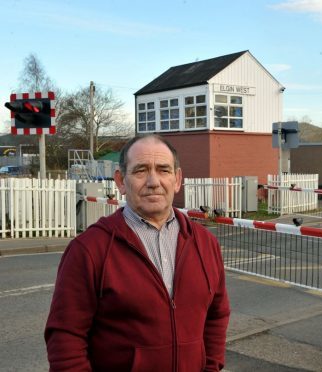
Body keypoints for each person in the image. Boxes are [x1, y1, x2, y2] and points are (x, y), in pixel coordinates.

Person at [45, 135, 230, 371]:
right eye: (141, 171)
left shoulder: (206, 244)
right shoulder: (89, 249)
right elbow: (65, 338)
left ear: (177, 179)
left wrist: (211, 368)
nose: (153, 181)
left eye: (163, 170)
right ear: (121, 181)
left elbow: (217, 315)